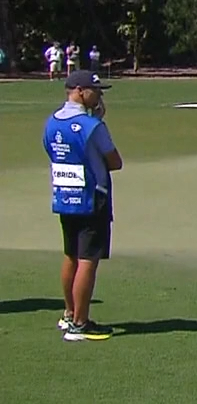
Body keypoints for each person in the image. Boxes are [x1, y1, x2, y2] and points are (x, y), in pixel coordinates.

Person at [44, 70, 121, 341]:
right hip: (92, 198)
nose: (99, 95)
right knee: (88, 260)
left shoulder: (51, 122)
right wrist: (97, 123)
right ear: (78, 91)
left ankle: (69, 314)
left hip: (65, 195)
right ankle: (80, 322)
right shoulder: (93, 127)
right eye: (95, 90)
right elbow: (115, 161)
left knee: (71, 255)